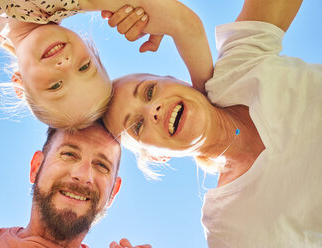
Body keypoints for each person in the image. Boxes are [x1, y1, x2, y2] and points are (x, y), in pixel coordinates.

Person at [103, 0, 322, 247]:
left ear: (177, 80)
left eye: (150, 91)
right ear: (157, 157)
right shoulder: (226, 225)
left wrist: (173, 15)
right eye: (138, 127)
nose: (152, 110)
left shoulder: (240, 67)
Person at [0, 0, 155, 131]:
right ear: (91, 48)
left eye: (55, 86)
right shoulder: (61, 4)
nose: (65, 64)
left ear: (20, 85)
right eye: (84, 67)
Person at [0, 123, 150, 248]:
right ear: (36, 167)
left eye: (101, 165)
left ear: (113, 193)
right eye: (69, 154)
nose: (82, 176)